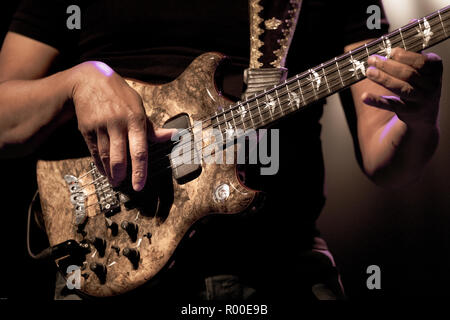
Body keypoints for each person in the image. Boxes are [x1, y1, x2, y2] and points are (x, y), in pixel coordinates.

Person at [0, 0, 443, 302]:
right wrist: (78, 82)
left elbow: (384, 161)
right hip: (113, 258)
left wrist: (418, 122)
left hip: (281, 269)